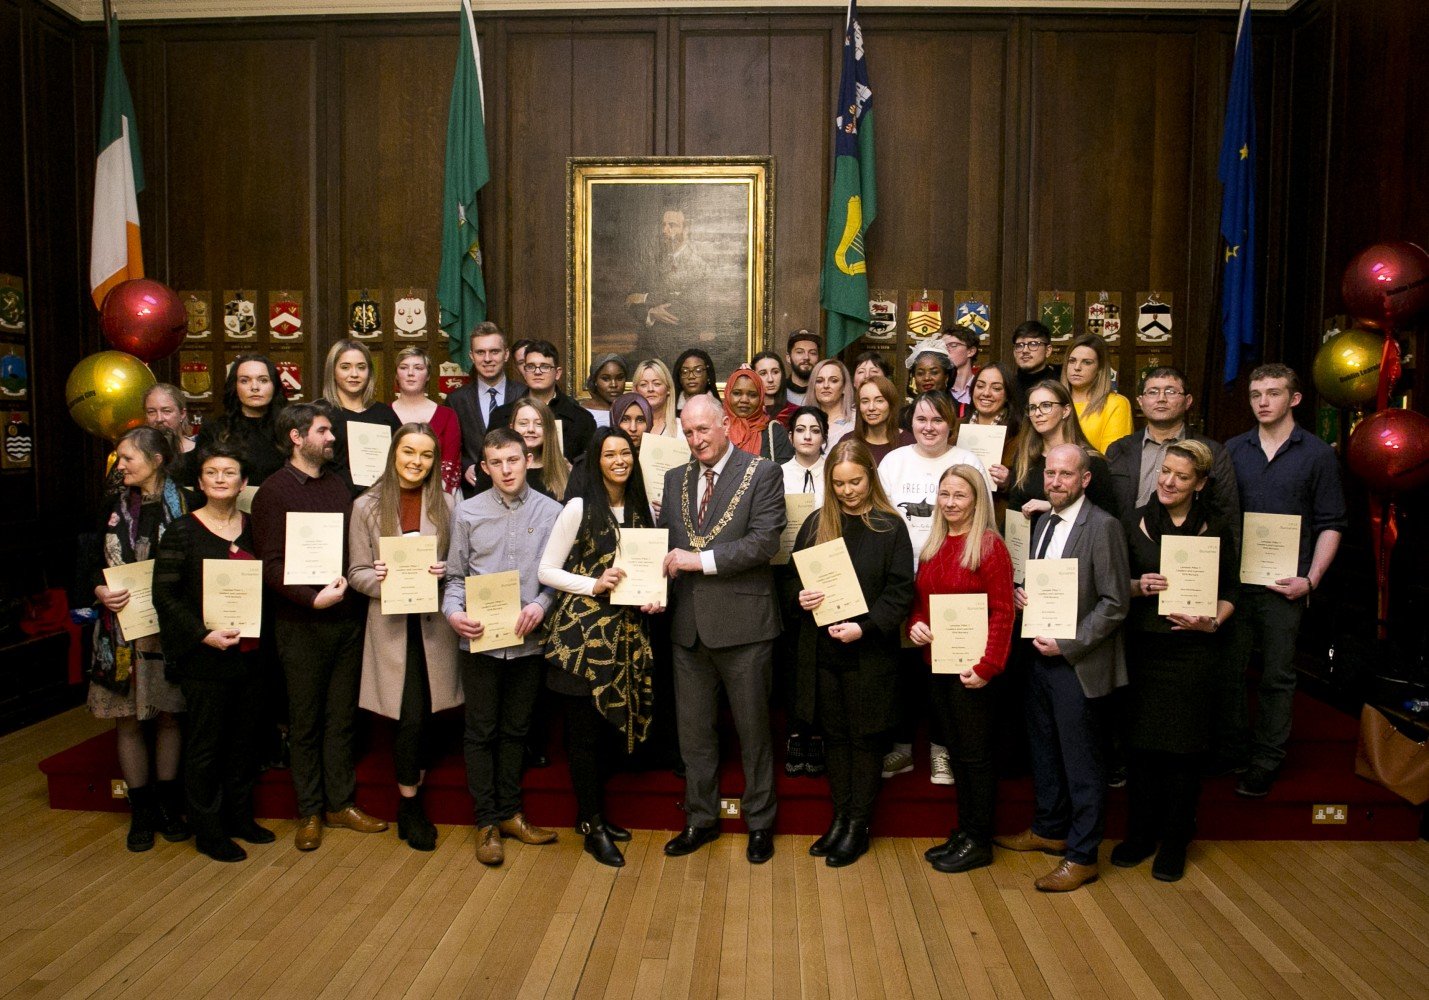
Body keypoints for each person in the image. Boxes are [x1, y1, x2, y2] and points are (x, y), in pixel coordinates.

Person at [251, 402, 387, 851]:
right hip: (300, 624)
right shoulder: (273, 491)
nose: (332, 438)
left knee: (341, 719)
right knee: (305, 722)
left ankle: (340, 804)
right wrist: (312, 598)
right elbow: (268, 565)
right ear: (297, 436)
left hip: (346, 620)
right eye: (324, 431)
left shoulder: (339, 486)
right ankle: (309, 811)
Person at [659, 395, 786, 864]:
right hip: (688, 629)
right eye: (688, 433)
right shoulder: (675, 480)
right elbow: (665, 545)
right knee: (694, 735)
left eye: (703, 431)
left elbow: (764, 542)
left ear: (726, 425)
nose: (696, 441)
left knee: (754, 733)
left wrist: (700, 561)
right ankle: (700, 818)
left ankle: (759, 823)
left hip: (745, 627)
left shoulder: (763, 473)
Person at [997, 444, 1129, 893]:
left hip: (1077, 663)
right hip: (1037, 655)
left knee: (1082, 762)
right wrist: (1022, 596)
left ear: (1085, 480)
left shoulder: (1103, 526)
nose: (1055, 482)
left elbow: (1115, 604)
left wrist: (1068, 644)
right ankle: (1049, 829)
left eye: (1066, 475)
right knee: (1045, 751)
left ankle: (1082, 855)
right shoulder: (1041, 523)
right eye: (1050, 474)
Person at [540, 428, 664, 867]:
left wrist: (655, 595)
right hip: (583, 641)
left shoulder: (639, 509)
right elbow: (547, 571)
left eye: (625, 453)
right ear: (595, 461)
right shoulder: (578, 506)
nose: (619, 460)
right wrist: (593, 584)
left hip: (627, 637)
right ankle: (592, 825)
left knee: (605, 735)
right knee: (584, 737)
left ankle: (590, 816)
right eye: (609, 454)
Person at [1221, 364, 1345, 797]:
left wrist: (1310, 581)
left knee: (1276, 676)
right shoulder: (1232, 451)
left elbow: (1331, 523)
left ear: (1294, 399)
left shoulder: (1317, 455)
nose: (1262, 402)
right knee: (1230, 671)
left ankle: (1266, 760)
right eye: (1256, 394)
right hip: (1236, 583)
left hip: (1285, 587)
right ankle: (1234, 751)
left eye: (1273, 393)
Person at [1117, 440, 1237, 882]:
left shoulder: (1218, 526)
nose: (1168, 481)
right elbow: (1114, 584)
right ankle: (1140, 835)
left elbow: (1231, 591)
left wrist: (1213, 623)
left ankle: (1175, 840)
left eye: (1181, 476)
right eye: (1165, 471)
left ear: (1200, 482)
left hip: (1192, 652)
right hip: (1143, 648)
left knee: (1184, 754)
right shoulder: (1133, 521)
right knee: (1142, 748)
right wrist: (1137, 586)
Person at [793, 439, 915, 867]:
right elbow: (795, 582)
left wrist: (863, 628)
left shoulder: (889, 526)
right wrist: (803, 597)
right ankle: (840, 818)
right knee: (836, 739)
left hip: (870, 653)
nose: (848, 491)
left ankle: (858, 826)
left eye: (856, 481)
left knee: (864, 742)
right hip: (823, 651)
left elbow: (901, 592)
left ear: (871, 477)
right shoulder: (815, 524)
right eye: (839, 483)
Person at [443, 427, 562, 866]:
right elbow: (455, 578)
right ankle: (487, 822)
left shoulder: (552, 511)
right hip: (480, 643)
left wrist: (542, 604)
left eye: (513, 460)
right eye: (496, 462)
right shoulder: (467, 513)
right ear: (485, 467)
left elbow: (558, 577)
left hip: (528, 642)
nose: (506, 469)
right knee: (481, 731)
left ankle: (511, 813)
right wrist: (453, 614)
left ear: (528, 458)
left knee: (517, 730)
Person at [152, 443, 273, 862]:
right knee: (207, 744)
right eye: (212, 472)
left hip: (251, 652)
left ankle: (239, 818)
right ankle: (208, 829)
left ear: (243, 483)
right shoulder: (182, 531)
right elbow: (164, 595)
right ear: (200, 482)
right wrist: (203, 634)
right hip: (205, 656)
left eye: (229, 473)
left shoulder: (256, 527)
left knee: (244, 741)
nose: (221, 479)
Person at [346, 424, 461, 852]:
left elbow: (459, 562)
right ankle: (409, 804)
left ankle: (414, 790)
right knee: (410, 713)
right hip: (393, 627)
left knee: (429, 713)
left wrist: (444, 570)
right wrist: (380, 580)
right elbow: (355, 572)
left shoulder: (449, 503)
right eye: (408, 452)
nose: (416, 462)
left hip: (433, 625)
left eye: (427, 455)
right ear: (394, 454)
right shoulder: (366, 507)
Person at [908, 464, 1015, 874]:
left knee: (975, 758)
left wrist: (988, 666)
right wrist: (915, 623)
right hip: (938, 666)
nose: (951, 503)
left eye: (960, 496)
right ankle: (966, 831)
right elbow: (922, 602)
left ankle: (979, 839)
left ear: (977, 501)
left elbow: (1004, 613)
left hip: (974, 673)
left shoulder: (989, 546)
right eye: (945, 494)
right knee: (957, 752)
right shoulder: (934, 544)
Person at [88, 426, 189, 852]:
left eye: (128, 457)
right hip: (120, 629)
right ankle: (141, 810)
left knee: (169, 716)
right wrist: (98, 589)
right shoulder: (109, 503)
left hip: (168, 629)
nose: (121, 464)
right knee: (126, 718)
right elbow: (85, 563)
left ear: (157, 459)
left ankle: (167, 803)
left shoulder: (186, 503)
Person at [1105, 366, 1240, 547]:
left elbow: (1228, 516)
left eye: (1170, 391)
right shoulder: (1119, 450)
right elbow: (1106, 509)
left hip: (1191, 553)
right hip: (1127, 550)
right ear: (1140, 401)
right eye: (1153, 392)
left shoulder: (1212, 452)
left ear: (1188, 401)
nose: (1161, 398)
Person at [1005, 380, 1118, 519]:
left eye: (1046, 406)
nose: (1037, 413)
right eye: (1032, 408)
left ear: (1066, 410)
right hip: (1029, 538)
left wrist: (1052, 507)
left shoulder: (1091, 461)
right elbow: (1014, 511)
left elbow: (1106, 518)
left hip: (1074, 539)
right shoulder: (1025, 457)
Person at [446, 321, 522, 497]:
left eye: (494, 351)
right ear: (471, 356)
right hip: (474, 491)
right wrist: (466, 467)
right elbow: (452, 447)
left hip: (517, 488)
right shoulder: (456, 400)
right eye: (480, 352)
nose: (487, 359)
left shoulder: (524, 395)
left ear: (506, 354)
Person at [490, 339, 597, 463]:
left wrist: (574, 472)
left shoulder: (581, 419)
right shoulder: (501, 416)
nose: (537, 372)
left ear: (557, 373)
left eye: (545, 367)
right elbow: (486, 465)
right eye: (530, 367)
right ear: (525, 371)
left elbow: (592, 469)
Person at [320, 338, 401, 497]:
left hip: (380, 501)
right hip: (331, 498)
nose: (354, 374)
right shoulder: (320, 413)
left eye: (361, 367)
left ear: (369, 372)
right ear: (333, 371)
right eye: (345, 367)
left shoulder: (385, 414)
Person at [195, 353, 288, 487]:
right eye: (245, 380)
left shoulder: (289, 428)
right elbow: (201, 480)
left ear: (274, 386)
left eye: (263, 380)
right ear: (235, 386)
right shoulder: (214, 429)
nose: (254, 387)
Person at [390, 346, 462, 493]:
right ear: (397, 374)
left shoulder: (447, 415)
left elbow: (451, 464)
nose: (410, 373)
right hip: (389, 495)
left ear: (428, 375)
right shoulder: (382, 413)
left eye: (418, 368)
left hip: (436, 497)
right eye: (404, 367)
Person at [964, 362, 1024, 524]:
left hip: (997, 521)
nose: (986, 393)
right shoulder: (955, 429)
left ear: (1007, 394)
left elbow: (1032, 487)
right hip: (959, 517)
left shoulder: (1021, 436)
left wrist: (1009, 481)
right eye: (980, 386)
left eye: (996, 388)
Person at [1061, 333, 1132, 454]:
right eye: (1072, 361)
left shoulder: (1115, 403)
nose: (1077, 367)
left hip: (1095, 471)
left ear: (1100, 369)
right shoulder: (1054, 401)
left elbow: (1112, 459)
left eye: (1087, 362)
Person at [722, 365, 793, 463]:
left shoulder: (774, 431)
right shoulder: (716, 427)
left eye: (752, 395)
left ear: (761, 398)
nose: (744, 400)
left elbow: (783, 472)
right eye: (737, 393)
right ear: (727, 394)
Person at [507, 397, 570, 501]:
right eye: (523, 423)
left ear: (549, 429)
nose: (531, 429)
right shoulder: (497, 467)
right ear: (512, 427)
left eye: (539, 424)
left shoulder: (563, 470)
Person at [143, 383, 198, 491]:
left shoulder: (200, 452)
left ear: (182, 414)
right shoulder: (137, 452)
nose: (159, 419)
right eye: (151, 412)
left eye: (166, 411)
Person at [854, 374, 913, 466]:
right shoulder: (848, 441)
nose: (871, 407)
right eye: (865, 401)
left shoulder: (909, 443)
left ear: (891, 404)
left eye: (879, 401)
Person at [900, 340, 956, 430]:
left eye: (934, 372)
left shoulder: (961, 411)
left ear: (946, 376)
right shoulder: (903, 415)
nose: (927, 378)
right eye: (920, 373)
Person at [781, 406, 827, 504]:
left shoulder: (833, 471)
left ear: (824, 438)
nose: (807, 437)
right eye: (800, 430)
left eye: (815, 431)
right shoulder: (779, 474)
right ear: (790, 437)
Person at [809, 358, 856, 447]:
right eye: (819, 381)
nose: (826, 385)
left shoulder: (857, 420)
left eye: (833, 380)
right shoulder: (803, 420)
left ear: (844, 387)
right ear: (813, 387)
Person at [1011, 320, 1061, 397]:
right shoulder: (1007, 387)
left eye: (1033, 344)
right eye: (1020, 345)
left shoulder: (1060, 384)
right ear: (1014, 352)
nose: (1025, 350)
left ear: (1048, 351)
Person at [632, 358, 681, 438]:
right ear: (635, 391)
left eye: (657, 384)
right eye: (643, 384)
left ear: (668, 389)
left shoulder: (682, 428)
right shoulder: (629, 428)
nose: (650, 389)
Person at [582, 353, 629, 429]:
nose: (613, 385)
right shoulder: (582, 412)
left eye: (619, 378)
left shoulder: (632, 409)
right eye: (606, 379)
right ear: (595, 380)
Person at [752, 350, 796, 426]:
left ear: (782, 374)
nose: (770, 379)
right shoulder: (748, 413)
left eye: (775, 372)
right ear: (754, 376)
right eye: (763, 373)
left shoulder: (795, 412)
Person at [672, 348, 720, 414]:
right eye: (685, 371)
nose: (691, 376)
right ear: (679, 377)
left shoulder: (718, 409)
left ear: (708, 375)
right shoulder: (669, 408)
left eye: (698, 371)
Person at [942, 327, 979, 409]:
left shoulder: (981, 387)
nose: (946, 350)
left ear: (971, 351)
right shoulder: (939, 388)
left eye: (953, 345)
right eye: (943, 347)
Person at [783, 329, 820, 407]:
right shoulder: (779, 392)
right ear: (788, 357)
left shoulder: (824, 391)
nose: (806, 357)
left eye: (812, 353)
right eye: (800, 352)